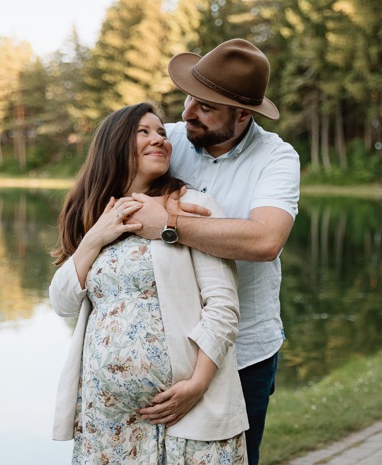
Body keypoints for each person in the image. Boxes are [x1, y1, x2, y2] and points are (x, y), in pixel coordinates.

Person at [128, 39, 301, 465]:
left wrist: (169, 225)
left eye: (206, 107)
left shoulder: (277, 159)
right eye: (190, 97)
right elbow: (103, 189)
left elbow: (265, 241)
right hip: (170, 348)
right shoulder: (167, 141)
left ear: (243, 114)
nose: (186, 113)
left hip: (246, 354)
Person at [48, 102, 249, 464]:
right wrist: (95, 237)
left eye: (161, 132)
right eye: (144, 131)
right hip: (108, 422)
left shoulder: (192, 208)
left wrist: (198, 384)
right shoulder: (95, 216)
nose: (159, 139)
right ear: (114, 143)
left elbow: (222, 307)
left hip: (185, 410)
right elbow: (62, 302)